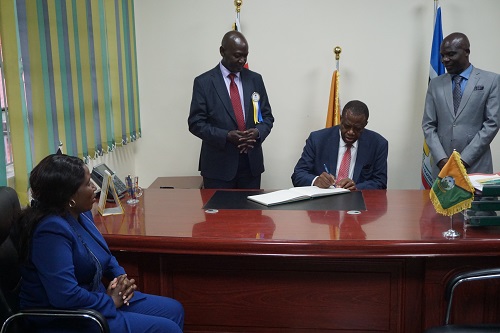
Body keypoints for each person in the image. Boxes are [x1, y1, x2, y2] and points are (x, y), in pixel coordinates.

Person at [14, 154, 184, 332]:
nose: (94, 188)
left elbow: (105, 256)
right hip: (65, 318)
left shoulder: (81, 214)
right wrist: (110, 302)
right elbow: (65, 296)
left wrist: (120, 279)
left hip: (94, 300)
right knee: (166, 328)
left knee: (173, 310)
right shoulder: (50, 232)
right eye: (87, 184)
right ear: (69, 196)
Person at [188, 30, 274, 189]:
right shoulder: (204, 82)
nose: (242, 60)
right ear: (222, 51)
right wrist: (226, 136)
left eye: (246, 55)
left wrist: (257, 132)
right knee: (219, 214)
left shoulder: (255, 79)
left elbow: (265, 117)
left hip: (251, 166)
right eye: (237, 55)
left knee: (252, 214)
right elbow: (196, 123)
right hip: (218, 168)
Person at [422, 32, 500, 180]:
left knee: (477, 204)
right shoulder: (435, 84)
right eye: (443, 55)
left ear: (467, 52)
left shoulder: (491, 80)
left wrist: (463, 160)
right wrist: (441, 159)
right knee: (438, 204)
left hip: (475, 165)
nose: (445, 60)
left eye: (451, 54)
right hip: (442, 168)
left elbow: (492, 124)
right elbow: (428, 125)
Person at [292, 100, 388, 190]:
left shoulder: (378, 144)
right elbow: (298, 174)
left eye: (357, 128)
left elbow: (380, 182)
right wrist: (316, 180)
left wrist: (357, 187)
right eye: (347, 126)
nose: (351, 132)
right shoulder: (318, 139)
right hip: (323, 202)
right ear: (341, 119)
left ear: (364, 125)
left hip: (357, 202)